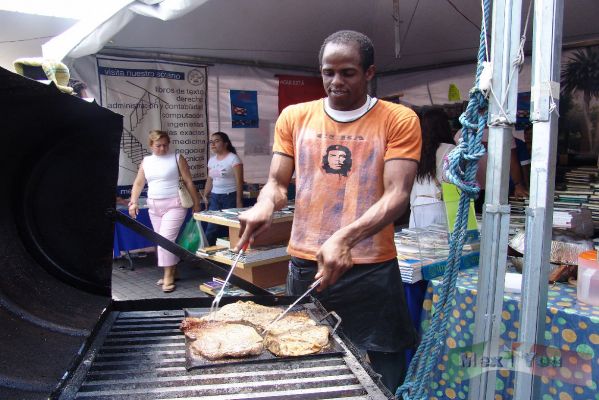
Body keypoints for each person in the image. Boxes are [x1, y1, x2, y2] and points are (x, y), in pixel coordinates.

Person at [234, 30, 421, 393]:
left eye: (347, 72)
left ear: (369, 73)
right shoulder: (295, 117)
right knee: (301, 355)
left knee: (386, 358)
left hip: (372, 267)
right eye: (328, 72)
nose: (336, 82)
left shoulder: (397, 119)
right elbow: (276, 183)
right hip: (307, 263)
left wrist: (345, 237)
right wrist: (263, 206)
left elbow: (398, 194)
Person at [128, 130, 200, 292]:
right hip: (154, 206)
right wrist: (133, 202)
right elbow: (139, 183)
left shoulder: (177, 158)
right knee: (163, 241)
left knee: (164, 241)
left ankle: (168, 276)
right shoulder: (146, 161)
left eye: (165, 145)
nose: (162, 148)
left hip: (175, 204)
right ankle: (174, 270)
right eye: (158, 145)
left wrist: (196, 202)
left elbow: (188, 182)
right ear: (151, 145)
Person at [409, 108, 456, 228]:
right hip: (437, 205)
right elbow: (450, 179)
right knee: (436, 246)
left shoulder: (416, 149)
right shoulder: (450, 149)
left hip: (416, 205)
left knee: (416, 245)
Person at [203, 131, 244, 245]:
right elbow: (210, 179)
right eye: (211, 142)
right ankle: (205, 253)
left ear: (226, 143)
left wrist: (238, 200)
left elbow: (239, 181)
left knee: (230, 226)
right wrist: (206, 194)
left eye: (216, 141)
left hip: (230, 196)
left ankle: (231, 252)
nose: (213, 144)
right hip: (215, 196)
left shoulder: (233, 159)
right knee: (212, 226)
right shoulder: (212, 160)